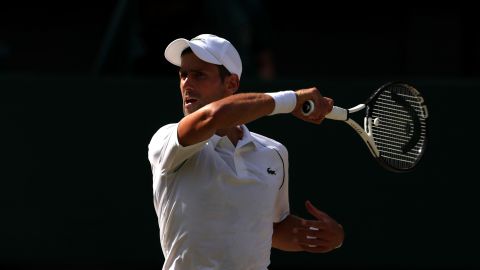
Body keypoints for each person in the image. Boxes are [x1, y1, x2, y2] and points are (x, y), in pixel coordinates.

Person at [148, 34, 344, 270]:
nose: (186, 83)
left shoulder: (274, 153)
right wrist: (290, 100)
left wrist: (323, 236)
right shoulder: (167, 140)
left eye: (198, 75)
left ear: (231, 84)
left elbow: (272, 229)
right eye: (183, 75)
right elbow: (214, 116)